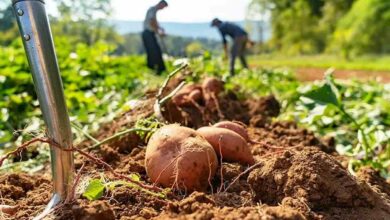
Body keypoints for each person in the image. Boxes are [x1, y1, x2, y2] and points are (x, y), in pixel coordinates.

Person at [142, 0, 168, 75]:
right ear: (161, 4)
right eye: (163, 7)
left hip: (150, 33)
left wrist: (159, 28)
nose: (162, 9)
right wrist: (158, 32)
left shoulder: (154, 11)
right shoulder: (152, 10)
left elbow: (154, 23)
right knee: (153, 52)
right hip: (148, 34)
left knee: (155, 51)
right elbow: (152, 22)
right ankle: (155, 69)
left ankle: (159, 69)